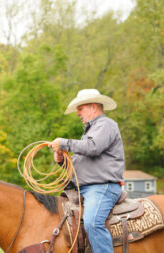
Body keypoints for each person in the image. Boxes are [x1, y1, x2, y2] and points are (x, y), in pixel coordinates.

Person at [48, 88, 124, 253]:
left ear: (93, 106)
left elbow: (92, 148)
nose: (78, 113)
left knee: (92, 222)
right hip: (85, 188)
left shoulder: (106, 125)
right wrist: (63, 161)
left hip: (102, 187)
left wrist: (64, 143)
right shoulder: (91, 131)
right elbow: (82, 160)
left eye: (80, 109)